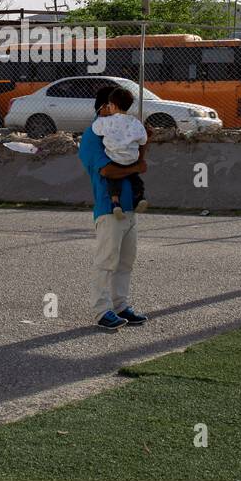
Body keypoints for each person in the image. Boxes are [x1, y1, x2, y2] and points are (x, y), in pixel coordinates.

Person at [78, 86, 150, 332]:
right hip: (109, 209)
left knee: (125, 262)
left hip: (129, 209)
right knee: (106, 261)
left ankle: (120, 306)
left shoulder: (121, 131)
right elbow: (107, 170)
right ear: (103, 107)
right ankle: (101, 311)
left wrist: (138, 160)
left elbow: (139, 154)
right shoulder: (92, 136)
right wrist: (136, 167)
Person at [90, 86, 149, 219]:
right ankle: (140, 197)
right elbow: (143, 140)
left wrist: (101, 114)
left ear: (113, 105)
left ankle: (116, 203)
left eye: (109, 104)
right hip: (132, 159)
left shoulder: (106, 122)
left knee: (113, 180)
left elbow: (95, 129)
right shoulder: (135, 122)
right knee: (135, 179)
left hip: (114, 159)